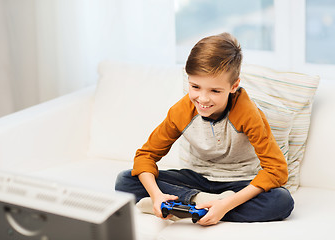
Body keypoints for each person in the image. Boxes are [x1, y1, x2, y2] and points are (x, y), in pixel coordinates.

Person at [115, 32, 294, 226]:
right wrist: (157, 195)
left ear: (234, 86)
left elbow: (276, 170)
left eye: (215, 91)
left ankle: (186, 208)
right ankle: (196, 202)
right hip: (197, 179)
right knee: (125, 181)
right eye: (195, 86)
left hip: (239, 182)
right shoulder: (181, 111)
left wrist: (227, 203)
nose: (203, 99)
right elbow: (145, 156)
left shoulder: (247, 112)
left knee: (282, 201)